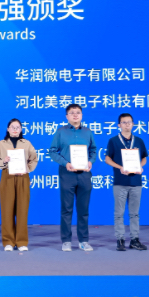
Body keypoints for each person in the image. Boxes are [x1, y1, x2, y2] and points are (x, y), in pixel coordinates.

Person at [48, 104, 97, 252]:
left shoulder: (88, 132)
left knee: (83, 210)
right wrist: (66, 163)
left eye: (78, 112)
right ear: (67, 116)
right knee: (66, 209)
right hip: (67, 174)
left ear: (81, 115)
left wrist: (90, 161)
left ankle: (83, 240)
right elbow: (52, 151)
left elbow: (93, 150)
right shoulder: (61, 132)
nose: (75, 115)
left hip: (84, 174)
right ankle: (66, 241)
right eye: (72, 113)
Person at [0, 118, 38, 252]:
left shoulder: (27, 143)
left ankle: (22, 241)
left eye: (18, 127)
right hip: (7, 176)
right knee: (7, 210)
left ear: (21, 129)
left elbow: (34, 159)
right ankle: (8, 242)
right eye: (13, 127)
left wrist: (26, 169)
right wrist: (4, 161)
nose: (15, 129)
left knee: (22, 209)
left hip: (23, 176)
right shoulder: (1, 144)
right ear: (8, 129)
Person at [104, 113, 148, 251]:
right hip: (120, 181)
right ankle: (120, 239)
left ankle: (134, 240)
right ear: (119, 125)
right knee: (119, 213)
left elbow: (144, 157)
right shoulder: (113, 141)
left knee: (135, 213)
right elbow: (107, 159)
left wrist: (140, 166)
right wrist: (120, 167)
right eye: (124, 122)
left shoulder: (139, 141)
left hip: (136, 181)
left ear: (133, 124)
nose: (127, 124)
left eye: (129, 122)